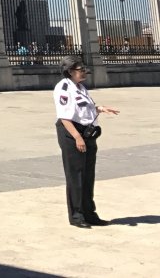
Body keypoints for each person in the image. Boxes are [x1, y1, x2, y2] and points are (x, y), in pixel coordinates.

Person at [54, 56, 119, 228]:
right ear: (69, 71)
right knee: (76, 175)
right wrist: (77, 137)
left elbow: (86, 107)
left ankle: (90, 213)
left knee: (88, 175)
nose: (83, 71)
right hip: (72, 133)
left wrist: (101, 108)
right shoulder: (64, 88)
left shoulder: (80, 87)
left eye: (83, 68)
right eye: (79, 69)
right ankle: (77, 216)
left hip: (86, 133)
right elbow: (64, 117)